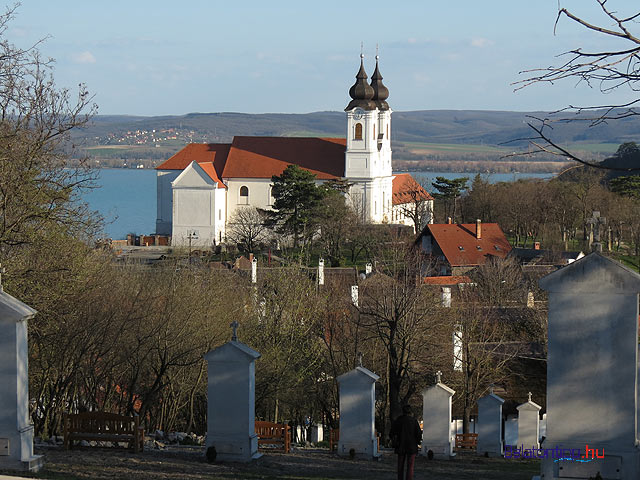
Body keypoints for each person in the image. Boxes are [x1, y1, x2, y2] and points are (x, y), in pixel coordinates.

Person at [389, 404, 422, 480]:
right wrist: (418, 442)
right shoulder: (414, 421)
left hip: (400, 445)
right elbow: (418, 434)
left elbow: (392, 433)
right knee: (410, 466)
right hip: (412, 446)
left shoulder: (398, 420)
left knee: (400, 466)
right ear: (410, 412)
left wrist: (394, 440)